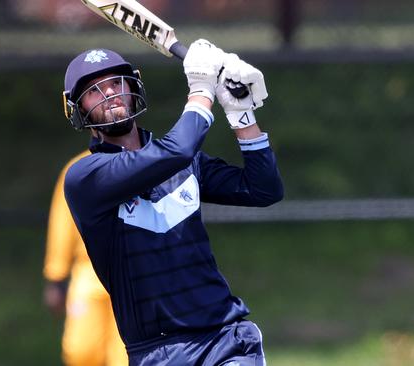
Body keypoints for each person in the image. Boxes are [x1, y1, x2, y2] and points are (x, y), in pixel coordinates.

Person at [61, 40, 283, 365]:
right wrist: (203, 88)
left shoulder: (180, 161)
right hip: (158, 352)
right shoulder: (85, 177)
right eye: (94, 90)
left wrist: (240, 113)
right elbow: (176, 151)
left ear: (132, 87)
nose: (109, 93)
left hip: (225, 335)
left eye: (115, 83)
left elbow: (263, 190)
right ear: (78, 108)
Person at [43, 152, 128, 366]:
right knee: (80, 351)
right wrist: (56, 275)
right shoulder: (79, 169)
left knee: (125, 355)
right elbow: (63, 224)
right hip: (88, 272)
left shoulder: (141, 163)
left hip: (131, 271)